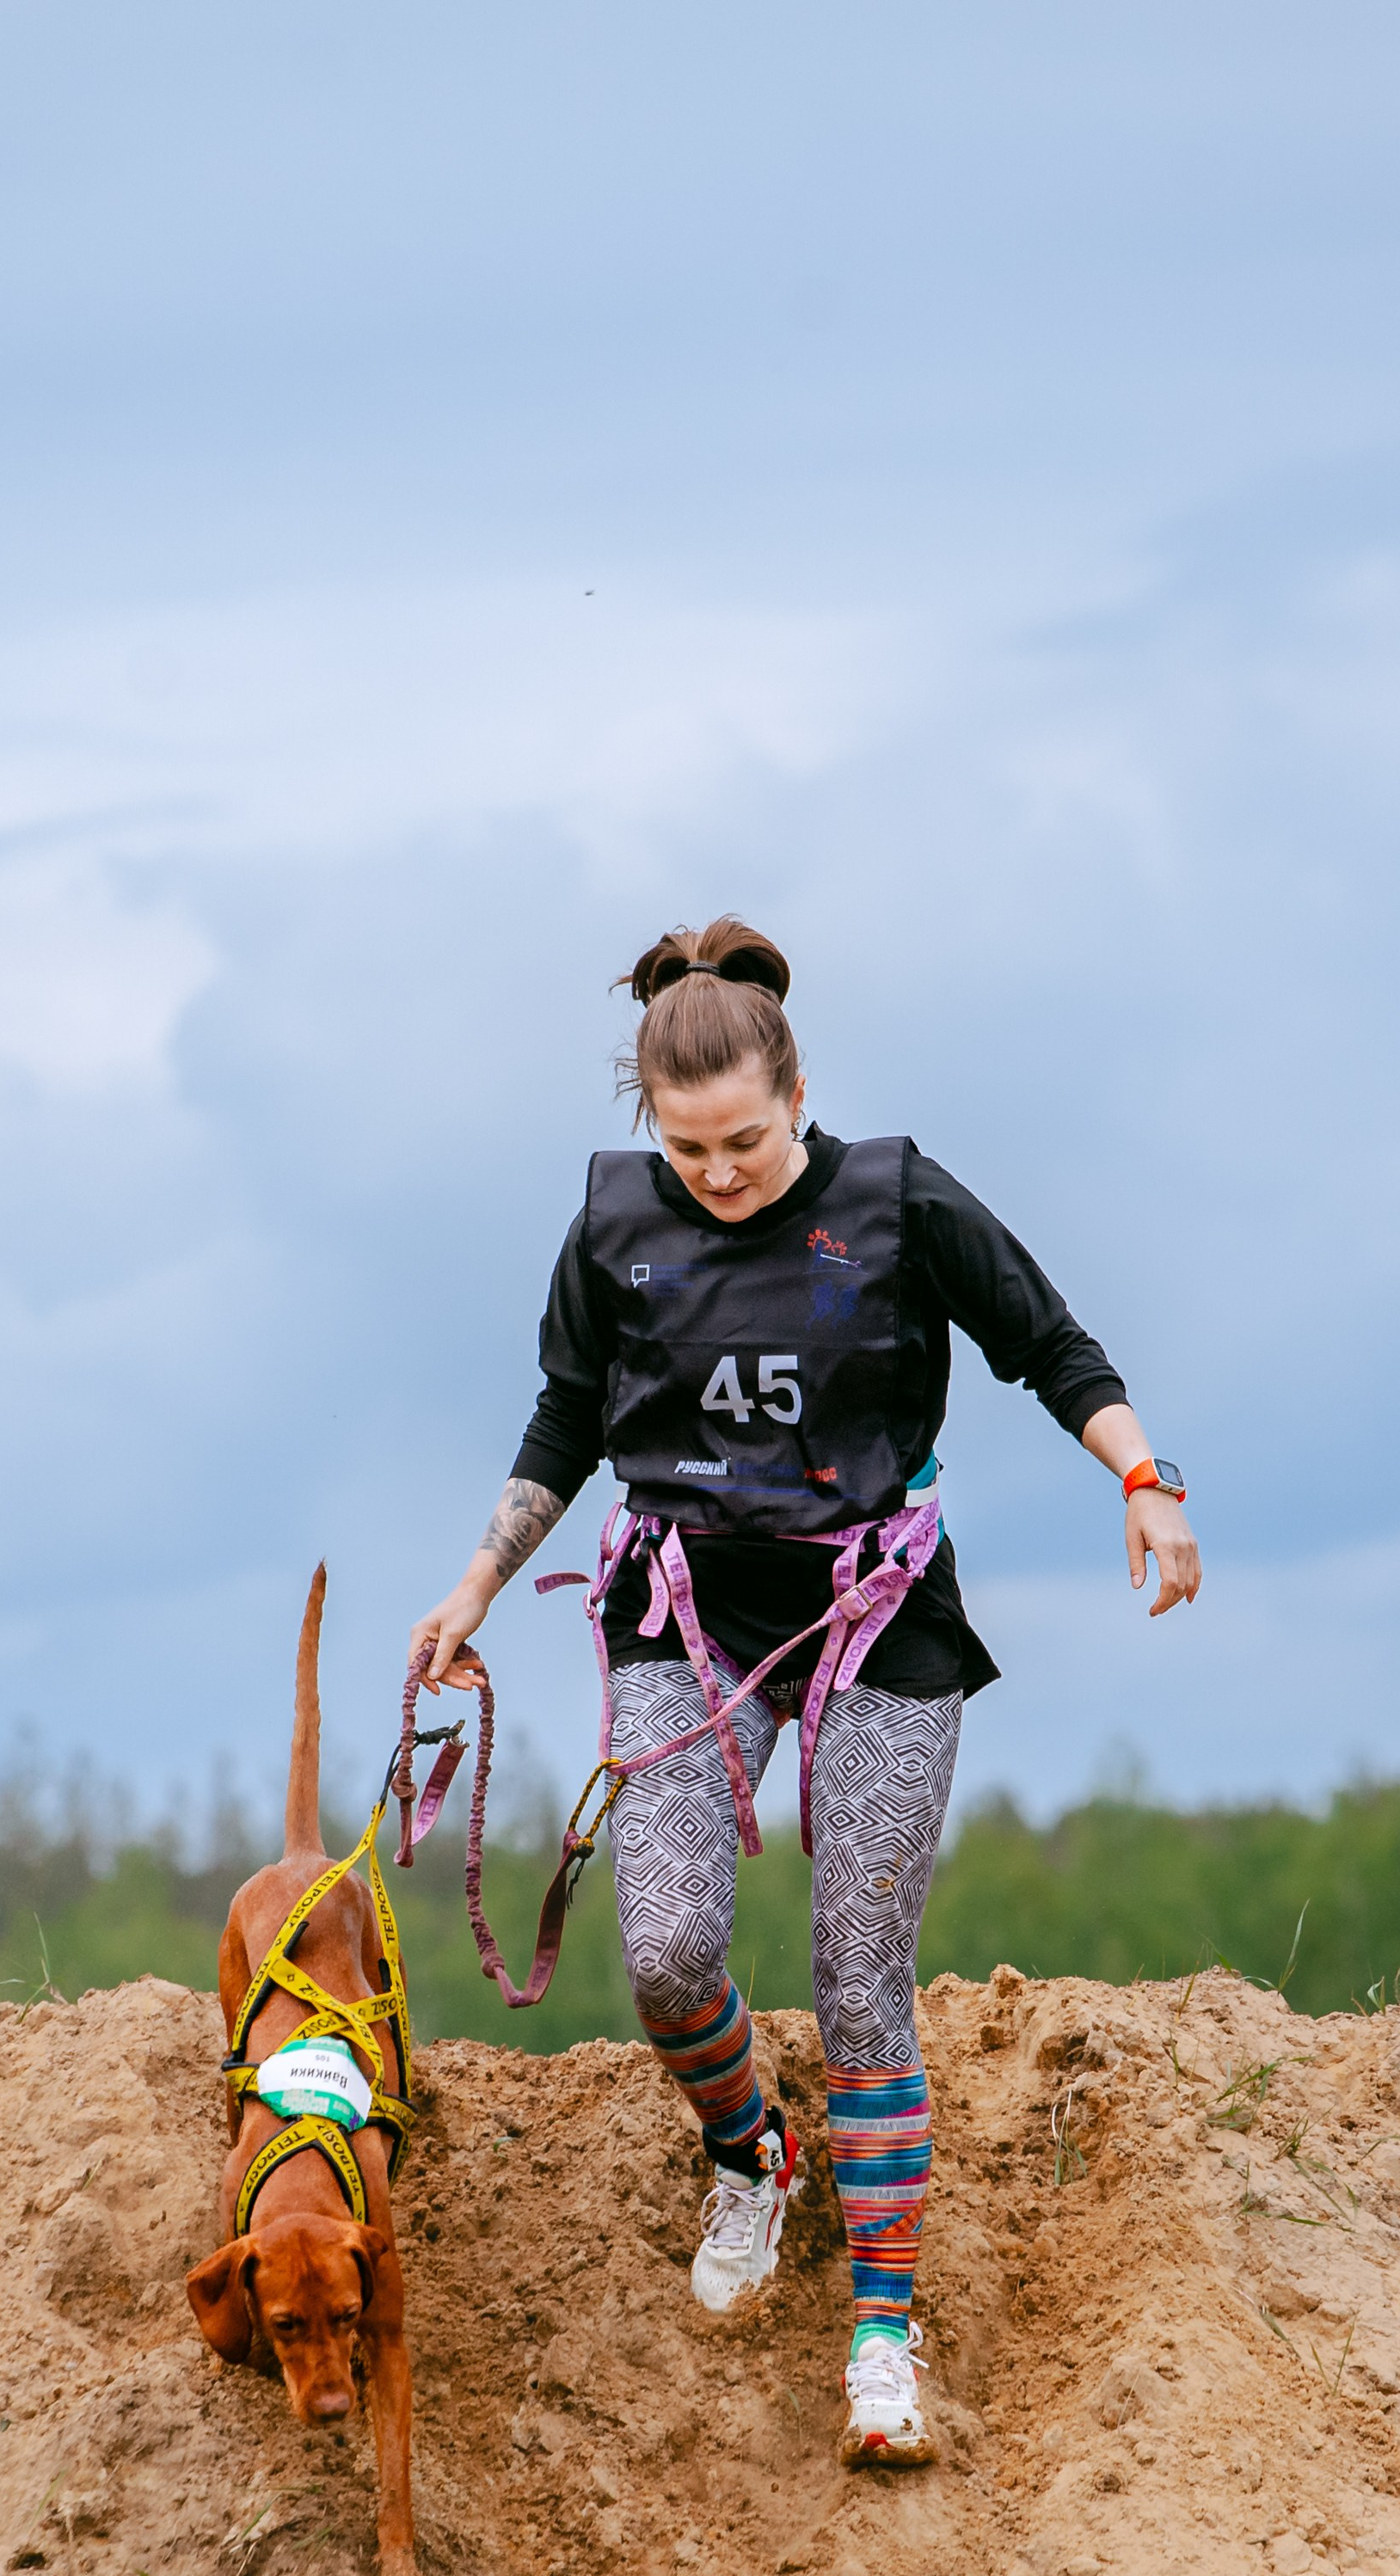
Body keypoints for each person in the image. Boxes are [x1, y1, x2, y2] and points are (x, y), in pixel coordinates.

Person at [408, 917, 1200, 2468]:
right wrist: (477, 1582)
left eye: (747, 1141)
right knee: (671, 1950)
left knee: (856, 1976)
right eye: (688, 1145)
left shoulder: (896, 1203)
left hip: (877, 1610)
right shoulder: (613, 1230)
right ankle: (752, 2153)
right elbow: (570, 1410)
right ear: (651, 1123)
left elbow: (1050, 1343)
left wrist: (1146, 1480)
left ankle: (885, 2337)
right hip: (684, 1605)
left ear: (799, 1093)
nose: (719, 1171)